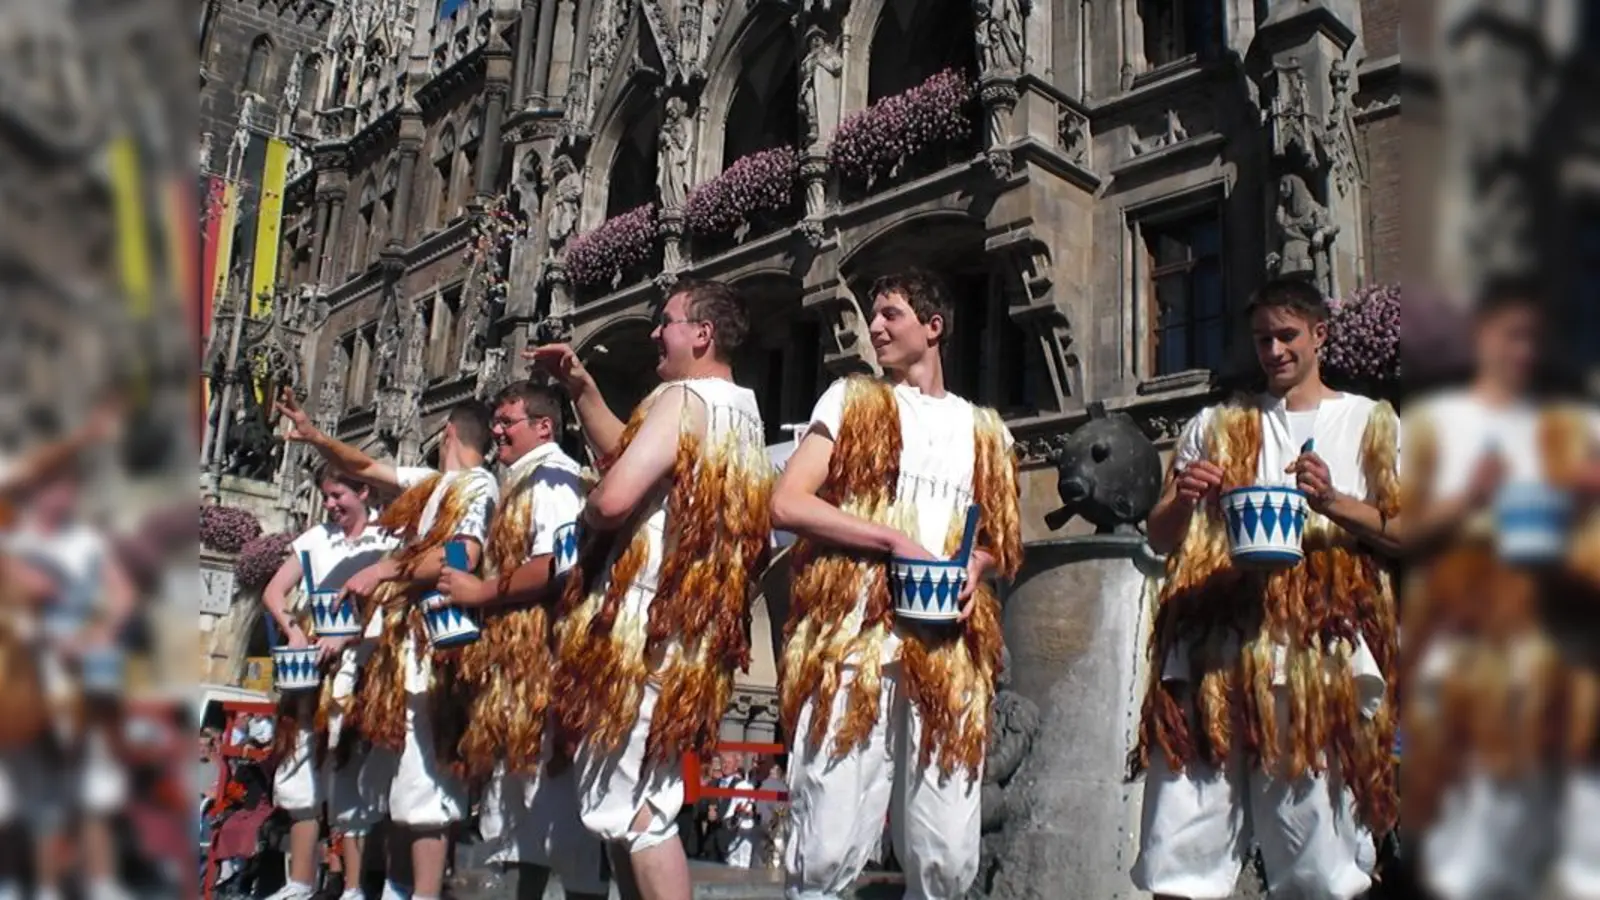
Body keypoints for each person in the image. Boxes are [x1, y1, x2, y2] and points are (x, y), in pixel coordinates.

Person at [1130, 277, 1403, 900]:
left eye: (1287, 336)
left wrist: (1333, 501)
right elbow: (1161, 535)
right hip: (1214, 650)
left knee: (1316, 849)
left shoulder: (1368, 423)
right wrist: (1186, 496)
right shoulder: (1216, 425)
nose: (1275, 350)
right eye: (1263, 339)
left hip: (1317, 653)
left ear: (1320, 336)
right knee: (1183, 837)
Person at [772, 268, 1023, 900]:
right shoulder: (853, 400)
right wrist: (891, 539)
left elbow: (997, 538)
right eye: (875, 315)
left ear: (933, 327)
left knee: (948, 848)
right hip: (854, 640)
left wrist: (977, 565)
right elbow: (788, 502)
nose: (875, 327)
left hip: (947, 646)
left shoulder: (984, 429)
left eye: (891, 314)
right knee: (828, 834)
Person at [524, 278, 773, 900]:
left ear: (702, 333)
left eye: (667, 321)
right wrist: (581, 388)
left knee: (640, 812)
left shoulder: (683, 397)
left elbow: (612, 496)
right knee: (633, 803)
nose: (656, 332)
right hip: (689, 632)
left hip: (645, 622)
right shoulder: (740, 410)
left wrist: (579, 524)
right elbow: (635, 456)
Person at [1402, 285, 1600, 900]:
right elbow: (1402, 531)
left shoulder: (1578, 426)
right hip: (1463, 658)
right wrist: (1468, 499)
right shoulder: (1434, 425)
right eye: (1508, 335)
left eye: (1533, 338)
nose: (1522, 350)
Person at [277, 391, 499, 900]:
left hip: (438, 644)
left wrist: (384, 569)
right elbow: (368, 468)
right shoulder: (432, 483)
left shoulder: (477, 484)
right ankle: (396, 889)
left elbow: (462, 555)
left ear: (446, 432)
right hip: (406, 648)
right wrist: (315, 437)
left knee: (424, 787)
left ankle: (417, 894)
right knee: (403, 786)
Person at [433, 380, 608, 900]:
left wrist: (481, 590)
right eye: (496, 422)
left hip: (545, 665)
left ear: (544, 426)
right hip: (515, 665)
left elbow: (558, 564)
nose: (497, 431)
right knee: (517, 806)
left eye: (508, 421)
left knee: (547, 807)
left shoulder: (552, 479)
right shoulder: (519, 478)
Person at [257, 466, 399, 900]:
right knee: (300, 766)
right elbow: (273, 591)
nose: (332, 505)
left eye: (339, 495)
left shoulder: (388, 539)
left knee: (351, 769)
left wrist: (350, 636)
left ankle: (354, 887)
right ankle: (300, 882)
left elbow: (393, 603)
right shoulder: (316, 539)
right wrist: (293, 628)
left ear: (363, 490)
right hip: (311, 669)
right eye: (327, 497)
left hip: (360, 666)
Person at [1, 460, 139, 900]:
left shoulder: (87, 542)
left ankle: (97, 884)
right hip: (24, 679)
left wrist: (95, 635)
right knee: (24, 793)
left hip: (80, 679)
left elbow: (122, 596)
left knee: (90, 790)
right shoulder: (16, 540)